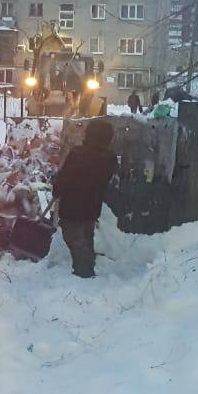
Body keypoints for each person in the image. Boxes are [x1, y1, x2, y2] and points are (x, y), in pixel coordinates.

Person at [51, 118, 117, 278]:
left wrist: (56, 187)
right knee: (87, 236)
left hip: (72, 207)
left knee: (75, 239)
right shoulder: (110, 158)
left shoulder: (79, 153)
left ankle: (84, 274)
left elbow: (65, 177)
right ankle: (88, 268)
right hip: (92, 206)